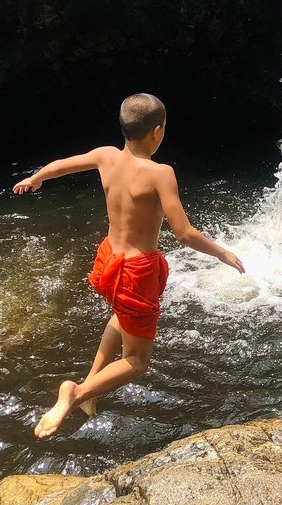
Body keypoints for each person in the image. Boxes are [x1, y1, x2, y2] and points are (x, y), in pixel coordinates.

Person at [13, 92, 244, 439]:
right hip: (136, 272)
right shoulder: (159, 173)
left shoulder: (106, 156)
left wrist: (37, 178)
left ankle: (91, 387)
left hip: (109, 260)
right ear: (156, 132)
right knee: (137, 361)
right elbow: (183, 232)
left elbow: (62, 165)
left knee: (121, 316)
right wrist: (222, 253)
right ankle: (76, 394)